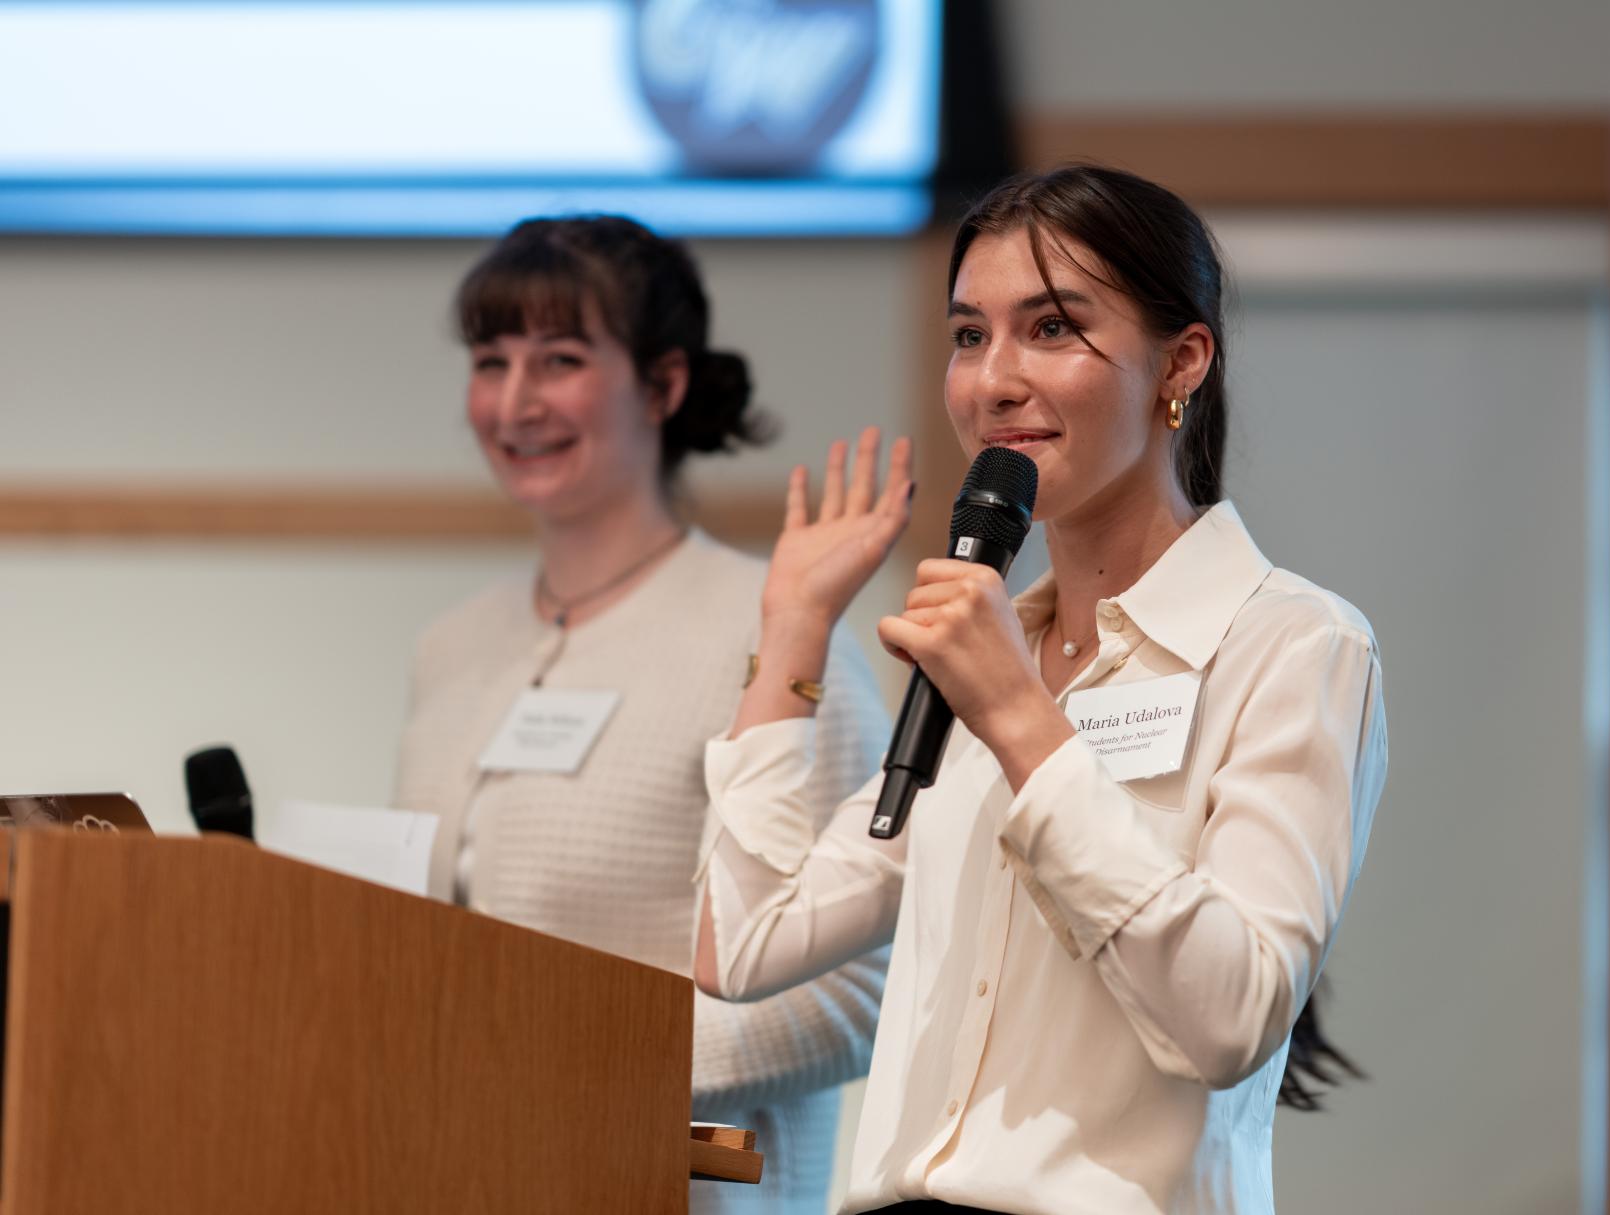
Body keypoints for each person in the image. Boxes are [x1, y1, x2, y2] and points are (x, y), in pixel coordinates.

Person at [694, 166, 1389, 1214]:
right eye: (969, 335)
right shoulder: (987, 656)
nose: (993, 381)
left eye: (1052, 329)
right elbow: (740, 948)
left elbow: (1231, 1017)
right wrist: (792, 624)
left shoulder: (1291, 644)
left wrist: (1023, 723)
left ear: (1180, 364)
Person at [393, 215, 893, 1213]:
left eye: (561, 358)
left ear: (662, 386)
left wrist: (565, 1058)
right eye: (491, 361)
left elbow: (857, 997)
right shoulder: (449, 648)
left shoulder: (782, 635)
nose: (515, 401)